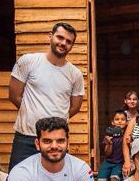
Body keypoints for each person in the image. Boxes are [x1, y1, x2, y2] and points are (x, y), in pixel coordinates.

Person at [7, 22, 84, 170]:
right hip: (26, 136)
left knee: (54, 180)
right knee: (17, 179)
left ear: (72, 46)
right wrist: (31, 111)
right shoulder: (28, 61)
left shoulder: (75, 74)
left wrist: (56, 120)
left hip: (55, 140)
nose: (63, 43)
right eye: (60, 37)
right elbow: (14, 95)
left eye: (68, 41)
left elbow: (75, 107)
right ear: (50, 36)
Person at [98, 109, 128, 181]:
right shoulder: (109, 135)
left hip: (119, 163)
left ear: (126, 122)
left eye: (122, 119)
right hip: (108, 162)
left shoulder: (126, 135)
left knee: (114, 179)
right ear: (112, 122)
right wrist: (109, 143)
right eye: (117, 119)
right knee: (101, 179)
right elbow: (107, 153)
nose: (120, 121)